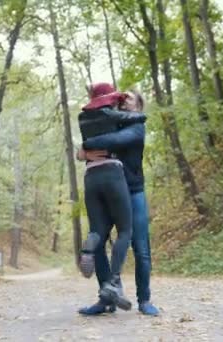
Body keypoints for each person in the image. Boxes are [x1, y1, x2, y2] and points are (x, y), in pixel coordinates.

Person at [78, 90, 160, 316]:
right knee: (98, 243)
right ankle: (107, 297)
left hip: (133, 192)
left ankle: (144, 300)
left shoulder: (136, 127)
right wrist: (83, 153)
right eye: (122, 99)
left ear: (138, 106)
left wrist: (88, 145)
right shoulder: (110, 121)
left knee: (140, 247)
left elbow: (115, 141)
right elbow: (79, 152)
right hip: (109, 191)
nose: (124, 102)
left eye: (130, 99)